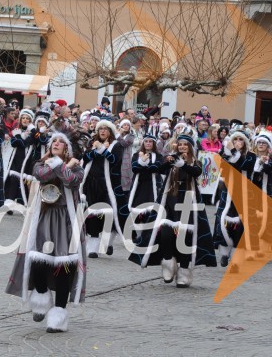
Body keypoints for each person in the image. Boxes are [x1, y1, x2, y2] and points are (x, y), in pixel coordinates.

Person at [6, 133, 86, 332]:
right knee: (39, 261)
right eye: (53, 142)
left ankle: (59, 313)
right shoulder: (40, 165)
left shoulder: (77, 168)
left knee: (64, 266)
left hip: (67, 220)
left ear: (67, 148)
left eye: (61, 142)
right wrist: (62, 165)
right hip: (44, 218)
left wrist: (64, 166)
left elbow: (70, 181)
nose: (56, 143)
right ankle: (41, 296)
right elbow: (43, 176)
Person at [128, 132, 216, 287]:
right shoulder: (171, 159)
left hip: (188, 202)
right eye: (180, 144)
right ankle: (168, 261)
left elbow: (196, 172)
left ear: (190, 147)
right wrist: (168, 161)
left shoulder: (195, 162)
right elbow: (160, 170)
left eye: (185, 144)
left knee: (185, 237)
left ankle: (184, 270)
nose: (182, 147)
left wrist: (182, 164)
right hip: (169, 200)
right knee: (165, 233)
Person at [80, 120, 125, 258]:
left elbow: (114, 161)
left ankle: (108, 242)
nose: (103, 131)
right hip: (92, 183)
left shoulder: (117, 145)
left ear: (110, 132)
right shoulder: (92, 143)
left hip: (109, 185)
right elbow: (85, 158)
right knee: (93, 213)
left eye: (106, 129)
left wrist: (103, 150)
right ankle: (93, 246)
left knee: (108, 213)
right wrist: (96, 149)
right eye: (100, 129)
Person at [214, 129, 256, 269]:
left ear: (245, 142)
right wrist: (229, 152)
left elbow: (244, 165)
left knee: (241, 225)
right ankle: (225, 253)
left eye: (240, 140)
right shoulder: (224, 154)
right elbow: (223, 168)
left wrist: (234, 152)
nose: (237, 142)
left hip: (244, 193)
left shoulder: (251, 156)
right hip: (228, 192)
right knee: (223, 222)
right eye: (235, 139)